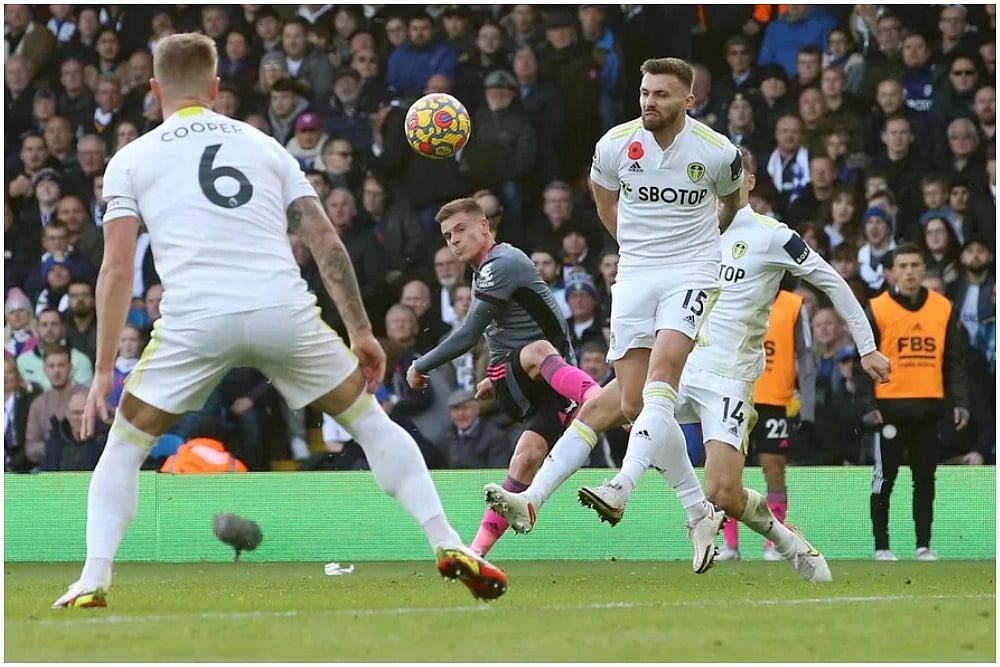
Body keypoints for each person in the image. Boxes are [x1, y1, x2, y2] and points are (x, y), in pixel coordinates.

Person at [52, 33, 506, 610]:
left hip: (196, 317)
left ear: (154, 89)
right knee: (370, 423)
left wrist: (102, 371)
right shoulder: (266, 145)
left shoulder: (132, 158)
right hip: (281, 309)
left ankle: (94, 578)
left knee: (123, 449)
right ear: (216, 88)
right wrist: (361, 332)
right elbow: (325, 242)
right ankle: (447, 540)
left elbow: (117, 268)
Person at [486, 147, 891, 582]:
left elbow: (830, 280)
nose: (715, 193)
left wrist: (866, 346)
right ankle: (536, 498)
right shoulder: (686, 234)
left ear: (747, 185)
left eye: (726, 183)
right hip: (678, 360)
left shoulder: (772, 236)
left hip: (728, 379)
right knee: (603, 407)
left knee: (725, 491)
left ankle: (787, 541)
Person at [580, 57, 744, 571]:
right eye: (645, 93)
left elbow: (732, 206)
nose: (650, 102)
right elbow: (605, 201)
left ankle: (621, 485)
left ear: (688, 100)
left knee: (664, 373)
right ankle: (699, 513)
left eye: (662, 95)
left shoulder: (718, 152)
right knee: (633, 404)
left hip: (692, 270)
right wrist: (635, 242)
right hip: (635, 272)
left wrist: (693, 246)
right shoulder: (614, 144)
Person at [406, 197, 601, 557]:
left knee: (526, 457)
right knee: (539, 350)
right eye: (448, 235)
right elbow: (486, 333)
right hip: (528, 373)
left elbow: (470, 333)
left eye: (461, 230)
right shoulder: (488, 268)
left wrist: (421, 365)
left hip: (545, 384)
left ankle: (475, 553)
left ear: (485, 227)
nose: (454, 240)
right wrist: (490, 375)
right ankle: (597, 399)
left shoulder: (503, 262)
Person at [855, 242, 970, 562]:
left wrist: (959, 401)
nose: (909, 272)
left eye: (915, 265)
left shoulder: (942, 307)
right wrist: (868, 405)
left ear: (924, 269)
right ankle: (881, 546)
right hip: (889, 408)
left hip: (928, 407)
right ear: (892, 271)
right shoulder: (877, 309)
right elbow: (860, 363)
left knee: (925, 479)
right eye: (902, 266)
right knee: (884, 479)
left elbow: (953, 361)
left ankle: (923, 545)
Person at [718, 289, 816, 562]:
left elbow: (807, 356)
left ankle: (775, 541)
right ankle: (730, 544)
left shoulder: (794, 305)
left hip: (774, 399)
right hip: (736, 395)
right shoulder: (731, 294)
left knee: (774, 469)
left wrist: (807, 409)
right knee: (729, 472)